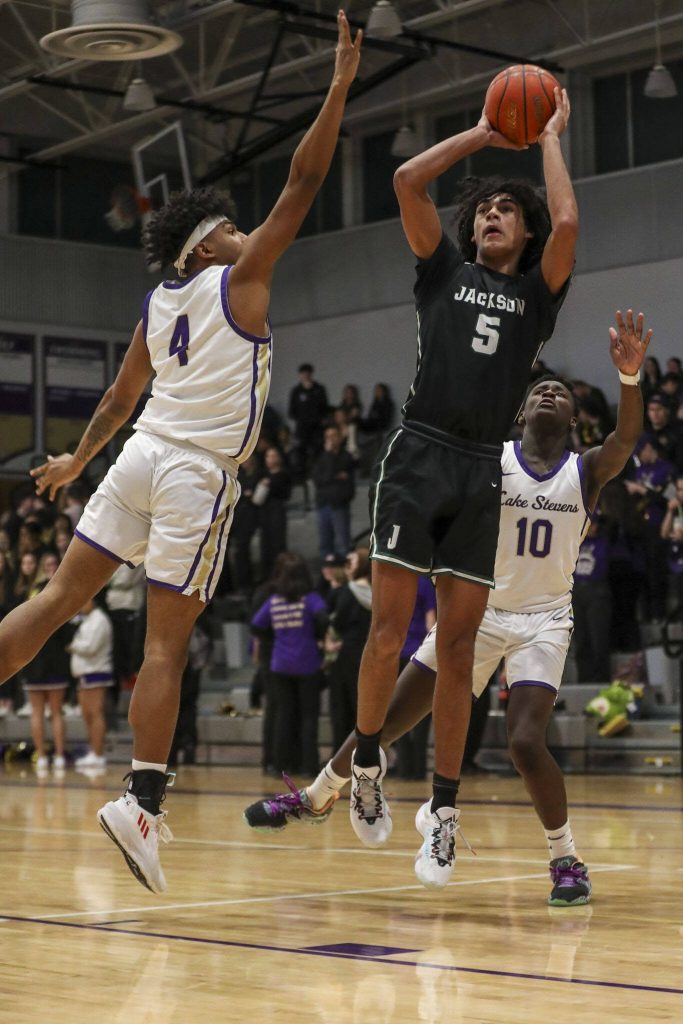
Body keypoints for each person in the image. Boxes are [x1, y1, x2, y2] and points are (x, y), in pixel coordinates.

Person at [0, 12, 361, 895]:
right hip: (197, 471)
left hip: (138, 457)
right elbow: (305, 181)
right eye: (235, 227)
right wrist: (340, 84)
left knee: (54, 598)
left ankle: (139, 796)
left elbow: (121, 402)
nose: (248, 234)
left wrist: (77, 463)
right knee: (166, 647)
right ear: (210, 243)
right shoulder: (236, 277)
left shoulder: (158, 306)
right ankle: (141, 801)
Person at [244, 309, 652, 903]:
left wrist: (631, 379)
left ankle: (566, 858)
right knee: (383, 721)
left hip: (544, 620)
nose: (549, 392)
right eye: (539, 388)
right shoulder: (494, 459)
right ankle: (315, 798)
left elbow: (627, 440)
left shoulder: (585, 471)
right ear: (520, 413)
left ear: (572, 419)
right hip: (478, 614)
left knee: (524, 742)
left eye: (559, 391)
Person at [349, 87, 578, 884]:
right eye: (484, 210)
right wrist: (485, 131)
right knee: (387, 634)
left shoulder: (534, 299)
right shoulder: (441, 270)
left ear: (524, 233)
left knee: (454, 652)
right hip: (419, 453)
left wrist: (546, 137)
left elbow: (570, 225)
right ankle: (367, 762)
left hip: (483, 467)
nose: (492, 218)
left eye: (507, 213)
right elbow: (408, 180)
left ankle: (442, 811)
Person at [250, 554, 328, 778]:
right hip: (307, 662)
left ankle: (280, 766)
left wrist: (275, 637)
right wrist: (316, 635)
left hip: (280, 663)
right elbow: (324, 619)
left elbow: (256, 625)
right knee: (308, 717)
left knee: (283, 715)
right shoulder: (311, 598)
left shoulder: (274, 600)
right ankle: (308, 765)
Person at [69, 597, 114, 772]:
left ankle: (98, 753)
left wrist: (73, 646)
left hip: (97, 671)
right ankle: (92, 751)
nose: (80, 606)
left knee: (95, 713)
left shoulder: (100, 619)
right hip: (84, 673)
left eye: (83, 602)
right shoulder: (88, 620)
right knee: (87, 715)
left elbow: (90, 647)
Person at [311, 424, 356, 560]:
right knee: (325, 543)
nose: (331, 439)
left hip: (339, 504)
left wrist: (329, 475)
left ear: (340, 437)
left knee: (343, 543)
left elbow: (345, 478)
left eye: (333, 436)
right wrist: (333, 472)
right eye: (328, 437)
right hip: (323, 503)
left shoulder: (346, 456)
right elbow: (318, 479)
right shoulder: (321, 457)